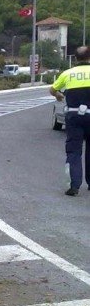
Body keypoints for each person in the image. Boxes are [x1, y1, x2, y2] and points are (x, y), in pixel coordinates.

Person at [50, 45, 90, 196]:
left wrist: (58, 95)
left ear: (75, 58)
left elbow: (52, 89)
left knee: (74, 150)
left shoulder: (68, 74)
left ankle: (74, 186)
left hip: (73, 116)